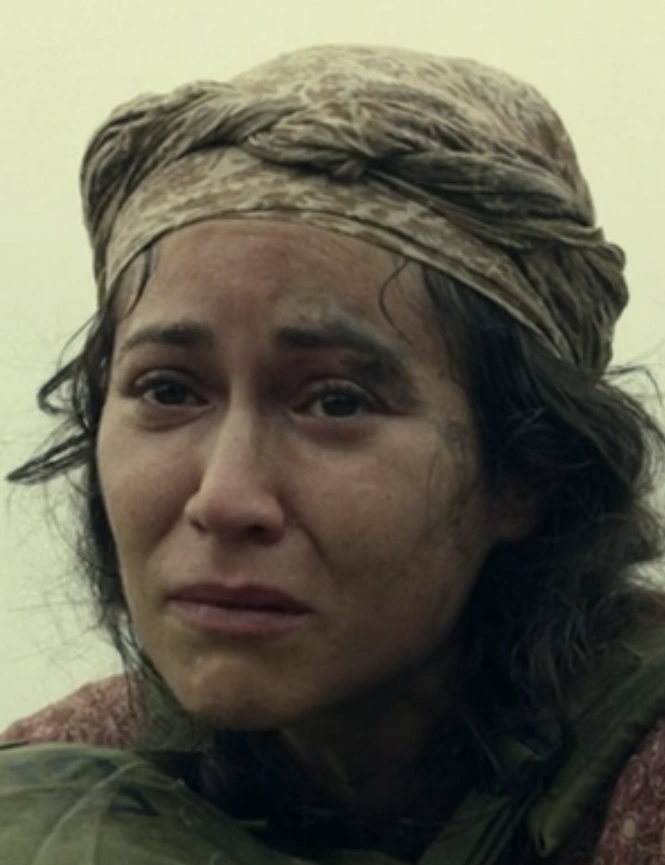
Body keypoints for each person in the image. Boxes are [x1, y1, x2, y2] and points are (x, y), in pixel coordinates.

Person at [1, 44, 664, 865]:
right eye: (168, 390)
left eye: (335, 402)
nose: (225, 497)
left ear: (523, 470)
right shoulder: (61, 778)